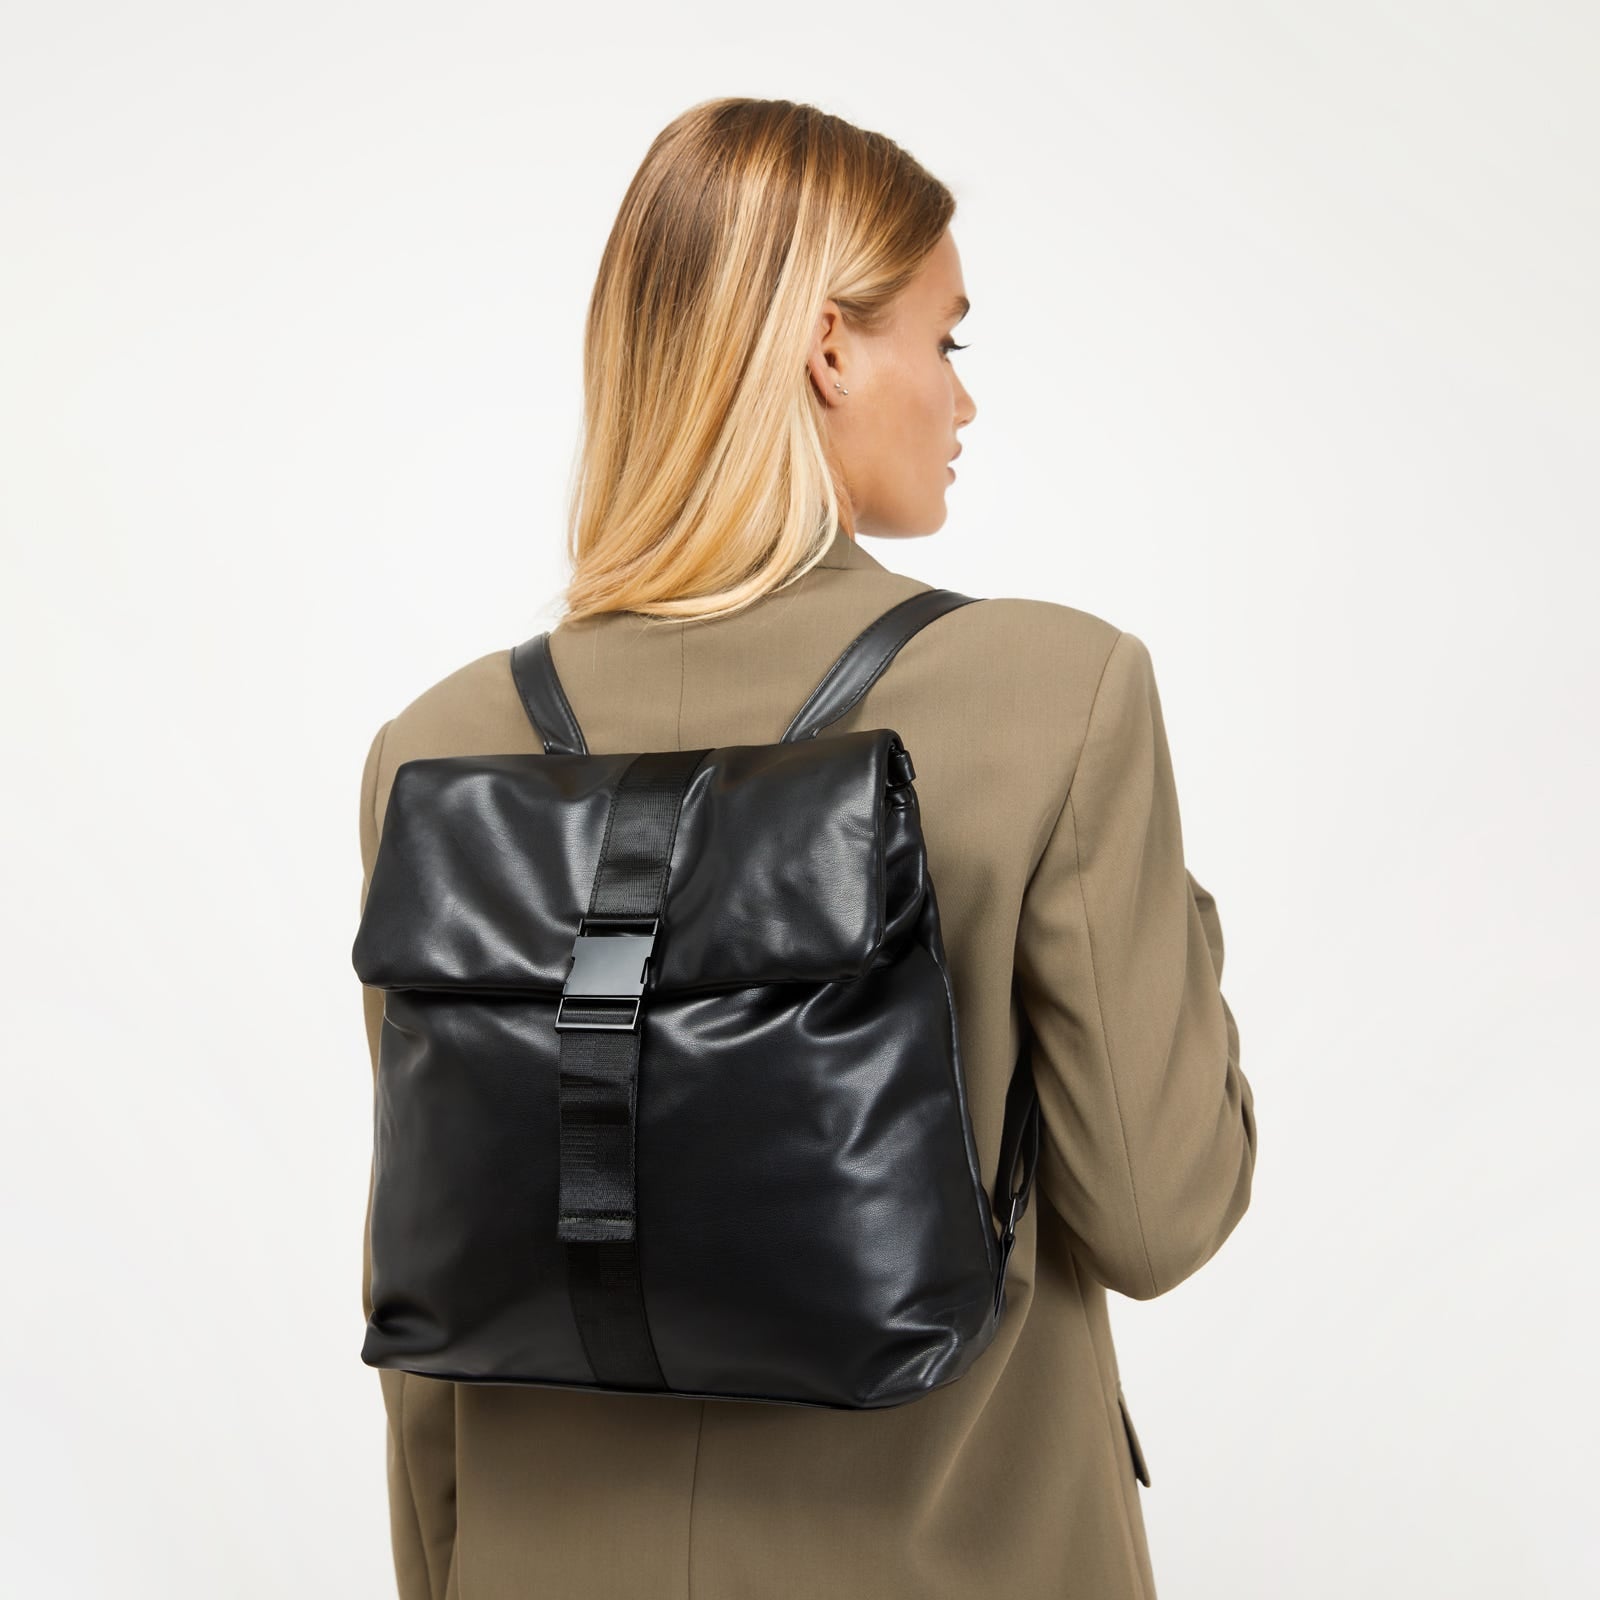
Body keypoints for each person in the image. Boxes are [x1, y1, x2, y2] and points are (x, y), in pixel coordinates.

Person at [355, 95, 1257, 1600]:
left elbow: (425, 1299)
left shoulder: (435, 751)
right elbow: (1161, 1213)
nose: (963, 400)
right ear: (828, 349)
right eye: (946, 341)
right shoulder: (1058, 694)